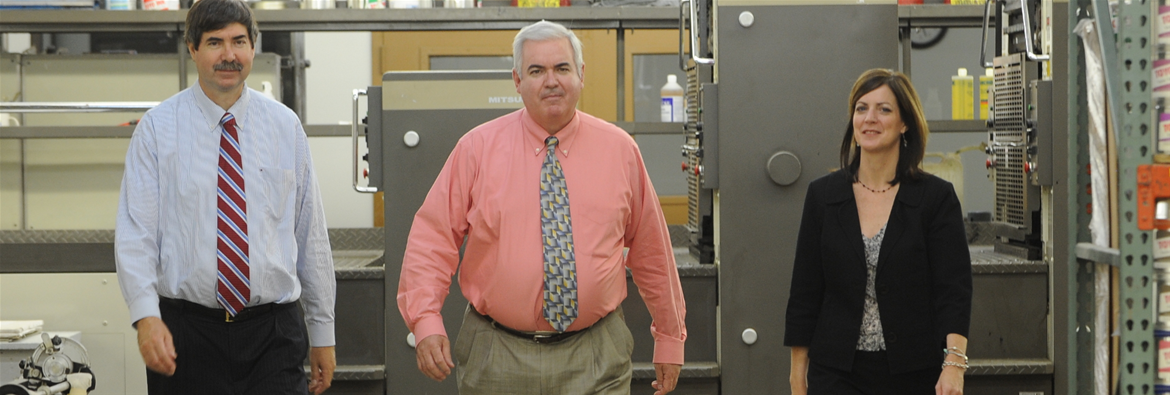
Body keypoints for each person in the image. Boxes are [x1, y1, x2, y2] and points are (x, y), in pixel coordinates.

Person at [397, 20, 686, 395]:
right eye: (537, 71)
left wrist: (669, 337)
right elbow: (432, 239)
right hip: (496, 356)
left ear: (581, 75)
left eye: (562, 68)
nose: (551, 81)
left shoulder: (620, 150)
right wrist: (425, 319)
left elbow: (652, 251)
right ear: (517, 80)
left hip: (597, 356)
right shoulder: (476, 150)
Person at [114, 0, 336, 393]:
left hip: (273, 335)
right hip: (187, 336)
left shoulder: (285, 126)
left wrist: (323, 331)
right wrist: (146, 317)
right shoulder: (157, 130)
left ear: (253, 47)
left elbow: (311, 235)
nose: (229, 55)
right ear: (192, 48)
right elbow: (136, 236)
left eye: (239, 41)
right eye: (215, 42)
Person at [783, 69, 973, 395]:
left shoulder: (935, 198)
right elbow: (805, 292)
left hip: (914, 371)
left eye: (884, 109)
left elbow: (953, 290)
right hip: (836, 373)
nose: (870, 118)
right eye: (862, 108)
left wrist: (954, 365)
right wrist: (797, 375)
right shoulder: (823, 195)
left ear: (904, 123)